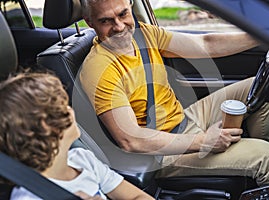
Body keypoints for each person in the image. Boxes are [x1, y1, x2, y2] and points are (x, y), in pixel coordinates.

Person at [79, 0, 269, 186]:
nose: (118, 27)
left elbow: (205, 44)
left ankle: (265, 180)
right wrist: (203, 141)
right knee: (267, 157)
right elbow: (132, 140)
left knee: (258, 88)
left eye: (122, 14)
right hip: (163, 152)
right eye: (105, 21)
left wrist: (267, 35)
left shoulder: (144, 34)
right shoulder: (99, 69)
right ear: (90, 22)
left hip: (185, 117)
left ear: (130, 5)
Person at [0, 73, 154, 200]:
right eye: (64, 108)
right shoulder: (28, 196)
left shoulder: (83, 159)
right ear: (47, 128)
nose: (71, 110)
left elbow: (138, 196)